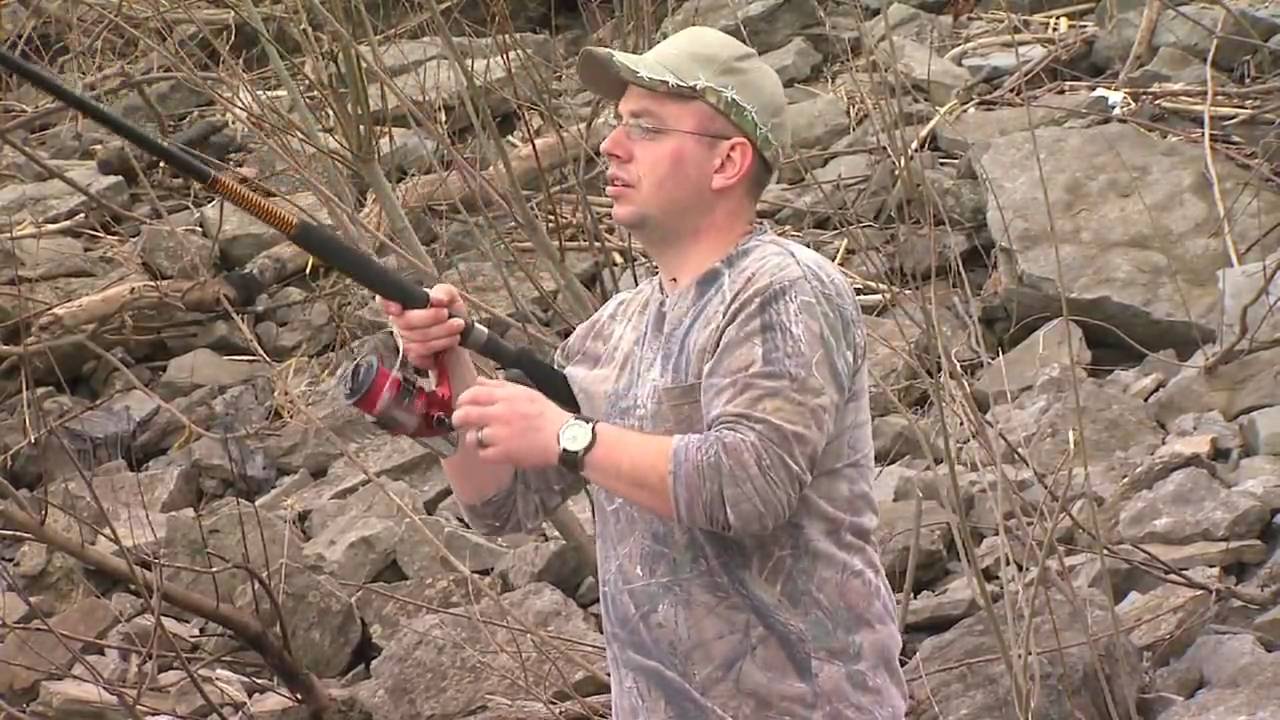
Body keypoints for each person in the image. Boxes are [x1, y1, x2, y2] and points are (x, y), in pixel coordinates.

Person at [382, 25, 909, 720]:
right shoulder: (613, 327)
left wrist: (571, 435)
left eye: (647, 127)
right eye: (618, 123)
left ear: (727, 163)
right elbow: (499, 506)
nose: (610, 145)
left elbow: (749, 485)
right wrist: (448, 364)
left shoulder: (783, 288)